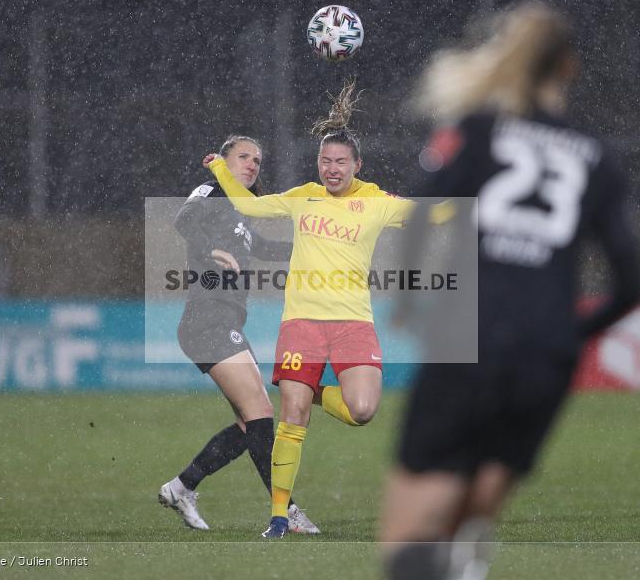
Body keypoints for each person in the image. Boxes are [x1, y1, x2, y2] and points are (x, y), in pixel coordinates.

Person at [379, 0, 640, 580]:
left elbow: (421, 215)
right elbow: (632, 286)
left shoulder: (477, 131)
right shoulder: (598, 156)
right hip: (545, 355)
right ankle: (465, 560)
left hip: (471, 334)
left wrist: (406, 300)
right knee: (472, 515)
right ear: (569, 67)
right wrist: (567, 334)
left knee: (408, 540)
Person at [203, 81, 454, 538]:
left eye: (340, 161)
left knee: (362, 409)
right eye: (325, 161)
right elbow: (251, 206)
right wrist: (222, 169)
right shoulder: (304, 196)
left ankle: (306, 387)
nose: (332, 168)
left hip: (354, 324)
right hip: (301, 323)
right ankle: (279, 518)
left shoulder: (376, 202)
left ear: (357, 165)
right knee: (291, 416)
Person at [157, 135, 319, 535]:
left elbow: (260, 245)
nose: (252, 164)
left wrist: (310, 246)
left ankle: (182, 487)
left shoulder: (241, 211)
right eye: (243, 157)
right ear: (223, 162)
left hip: (224, 322)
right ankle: (288, 513)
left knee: (252, 426)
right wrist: (211, 249)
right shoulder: (213, 190)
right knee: (262, 417)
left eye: (258, 160)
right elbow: (183, 219)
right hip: (207, 321)